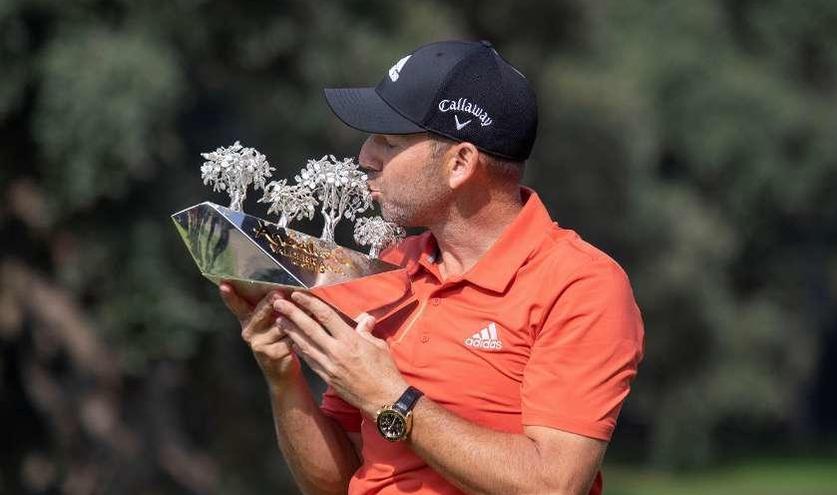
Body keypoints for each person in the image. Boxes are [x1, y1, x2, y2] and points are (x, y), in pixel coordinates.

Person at [219, 40, 644, 495]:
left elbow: (553, 485)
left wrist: (390, 397)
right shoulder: (388, 268)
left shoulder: (581, 285)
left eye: (390, 141)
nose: (365, 157)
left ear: (460, 163)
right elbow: (337, 483)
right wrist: (283, 378)